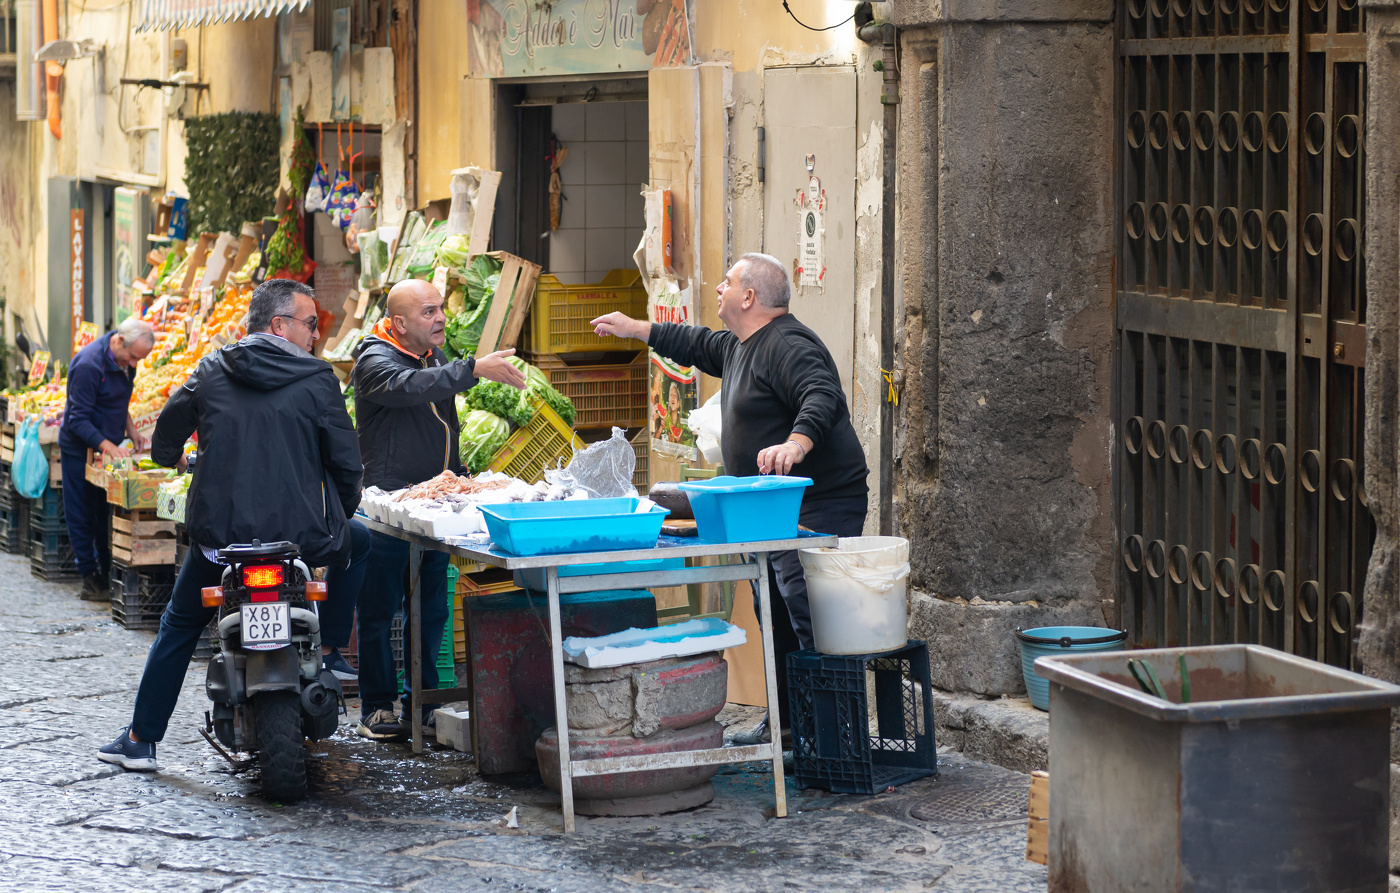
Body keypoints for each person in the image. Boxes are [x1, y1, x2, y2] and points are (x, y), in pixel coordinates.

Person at [592, 252, 870, 744]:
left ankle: (831, 735)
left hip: (818, 503)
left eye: (726, 282)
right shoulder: (741, 345)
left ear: (749, 297)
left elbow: (822, 394)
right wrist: (637, 328)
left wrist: (796, 443)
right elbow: (695, 343)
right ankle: (788, 725)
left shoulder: (788, 343)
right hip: (767, 506)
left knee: (807, 612)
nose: (717, 288)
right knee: (774, 610)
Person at [97, 279, 371, 771]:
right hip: (301, 543)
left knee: (179, 627)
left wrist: (179, 461)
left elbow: (164, 441)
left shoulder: (210, 369)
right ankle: (328, 650)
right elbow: (349, 467)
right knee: (363, 541)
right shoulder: (317, 379)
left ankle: (142, 739)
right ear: (279, 325)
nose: (315, 334)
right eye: (310, 324)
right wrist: (338, 514)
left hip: (221, 543)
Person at [350, 277, 525, 741]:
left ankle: (423, 702)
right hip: (389, 507)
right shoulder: (374, 360)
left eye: (440, 308)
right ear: (400, 322)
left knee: (430, 609)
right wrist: (473, 369)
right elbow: (409, 388)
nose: (441, 317)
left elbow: (443, 417)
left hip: (435, 506)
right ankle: (378, 706)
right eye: (429, 312)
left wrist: (460, 473)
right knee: (379, 609)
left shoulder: (434, 356)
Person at [60, 317, 155, 600]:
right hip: (80, 449)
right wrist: (109, 446)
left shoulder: (126, 363)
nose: (135, 364)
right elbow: (77, 420)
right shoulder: (89, 365)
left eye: (140, 359)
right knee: (80, 512)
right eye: (133, 357)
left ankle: (105, 572)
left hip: (105, 448)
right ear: (118, 341)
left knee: (103, 512)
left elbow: (119, 401)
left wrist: (131, 429)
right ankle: (89, 578)